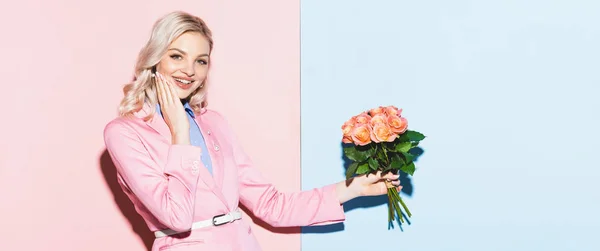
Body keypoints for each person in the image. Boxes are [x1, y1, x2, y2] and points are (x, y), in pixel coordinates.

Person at [103, 10, 401, 251]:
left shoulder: (213, 123)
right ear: (155, 59)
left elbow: (271, 205)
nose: (189, 70)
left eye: (201, 61)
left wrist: (354, 188)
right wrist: (179, 133)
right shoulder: (125, 133)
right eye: (177, 56)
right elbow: (176, 217)